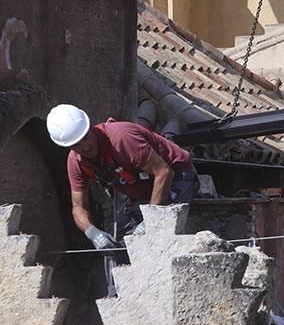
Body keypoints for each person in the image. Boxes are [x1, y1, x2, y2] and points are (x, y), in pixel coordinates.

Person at [46, 104, 198, 252]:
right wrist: (93, 233)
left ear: (91, 127)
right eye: (76, 145)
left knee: (157, 237)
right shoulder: (76, 162)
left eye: (85, 138)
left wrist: (151, 220)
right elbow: (78, 206)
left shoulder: (121, 139)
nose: (85, 147)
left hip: (176, 177)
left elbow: (164, 172)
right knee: (116, 245)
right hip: (141, 191)